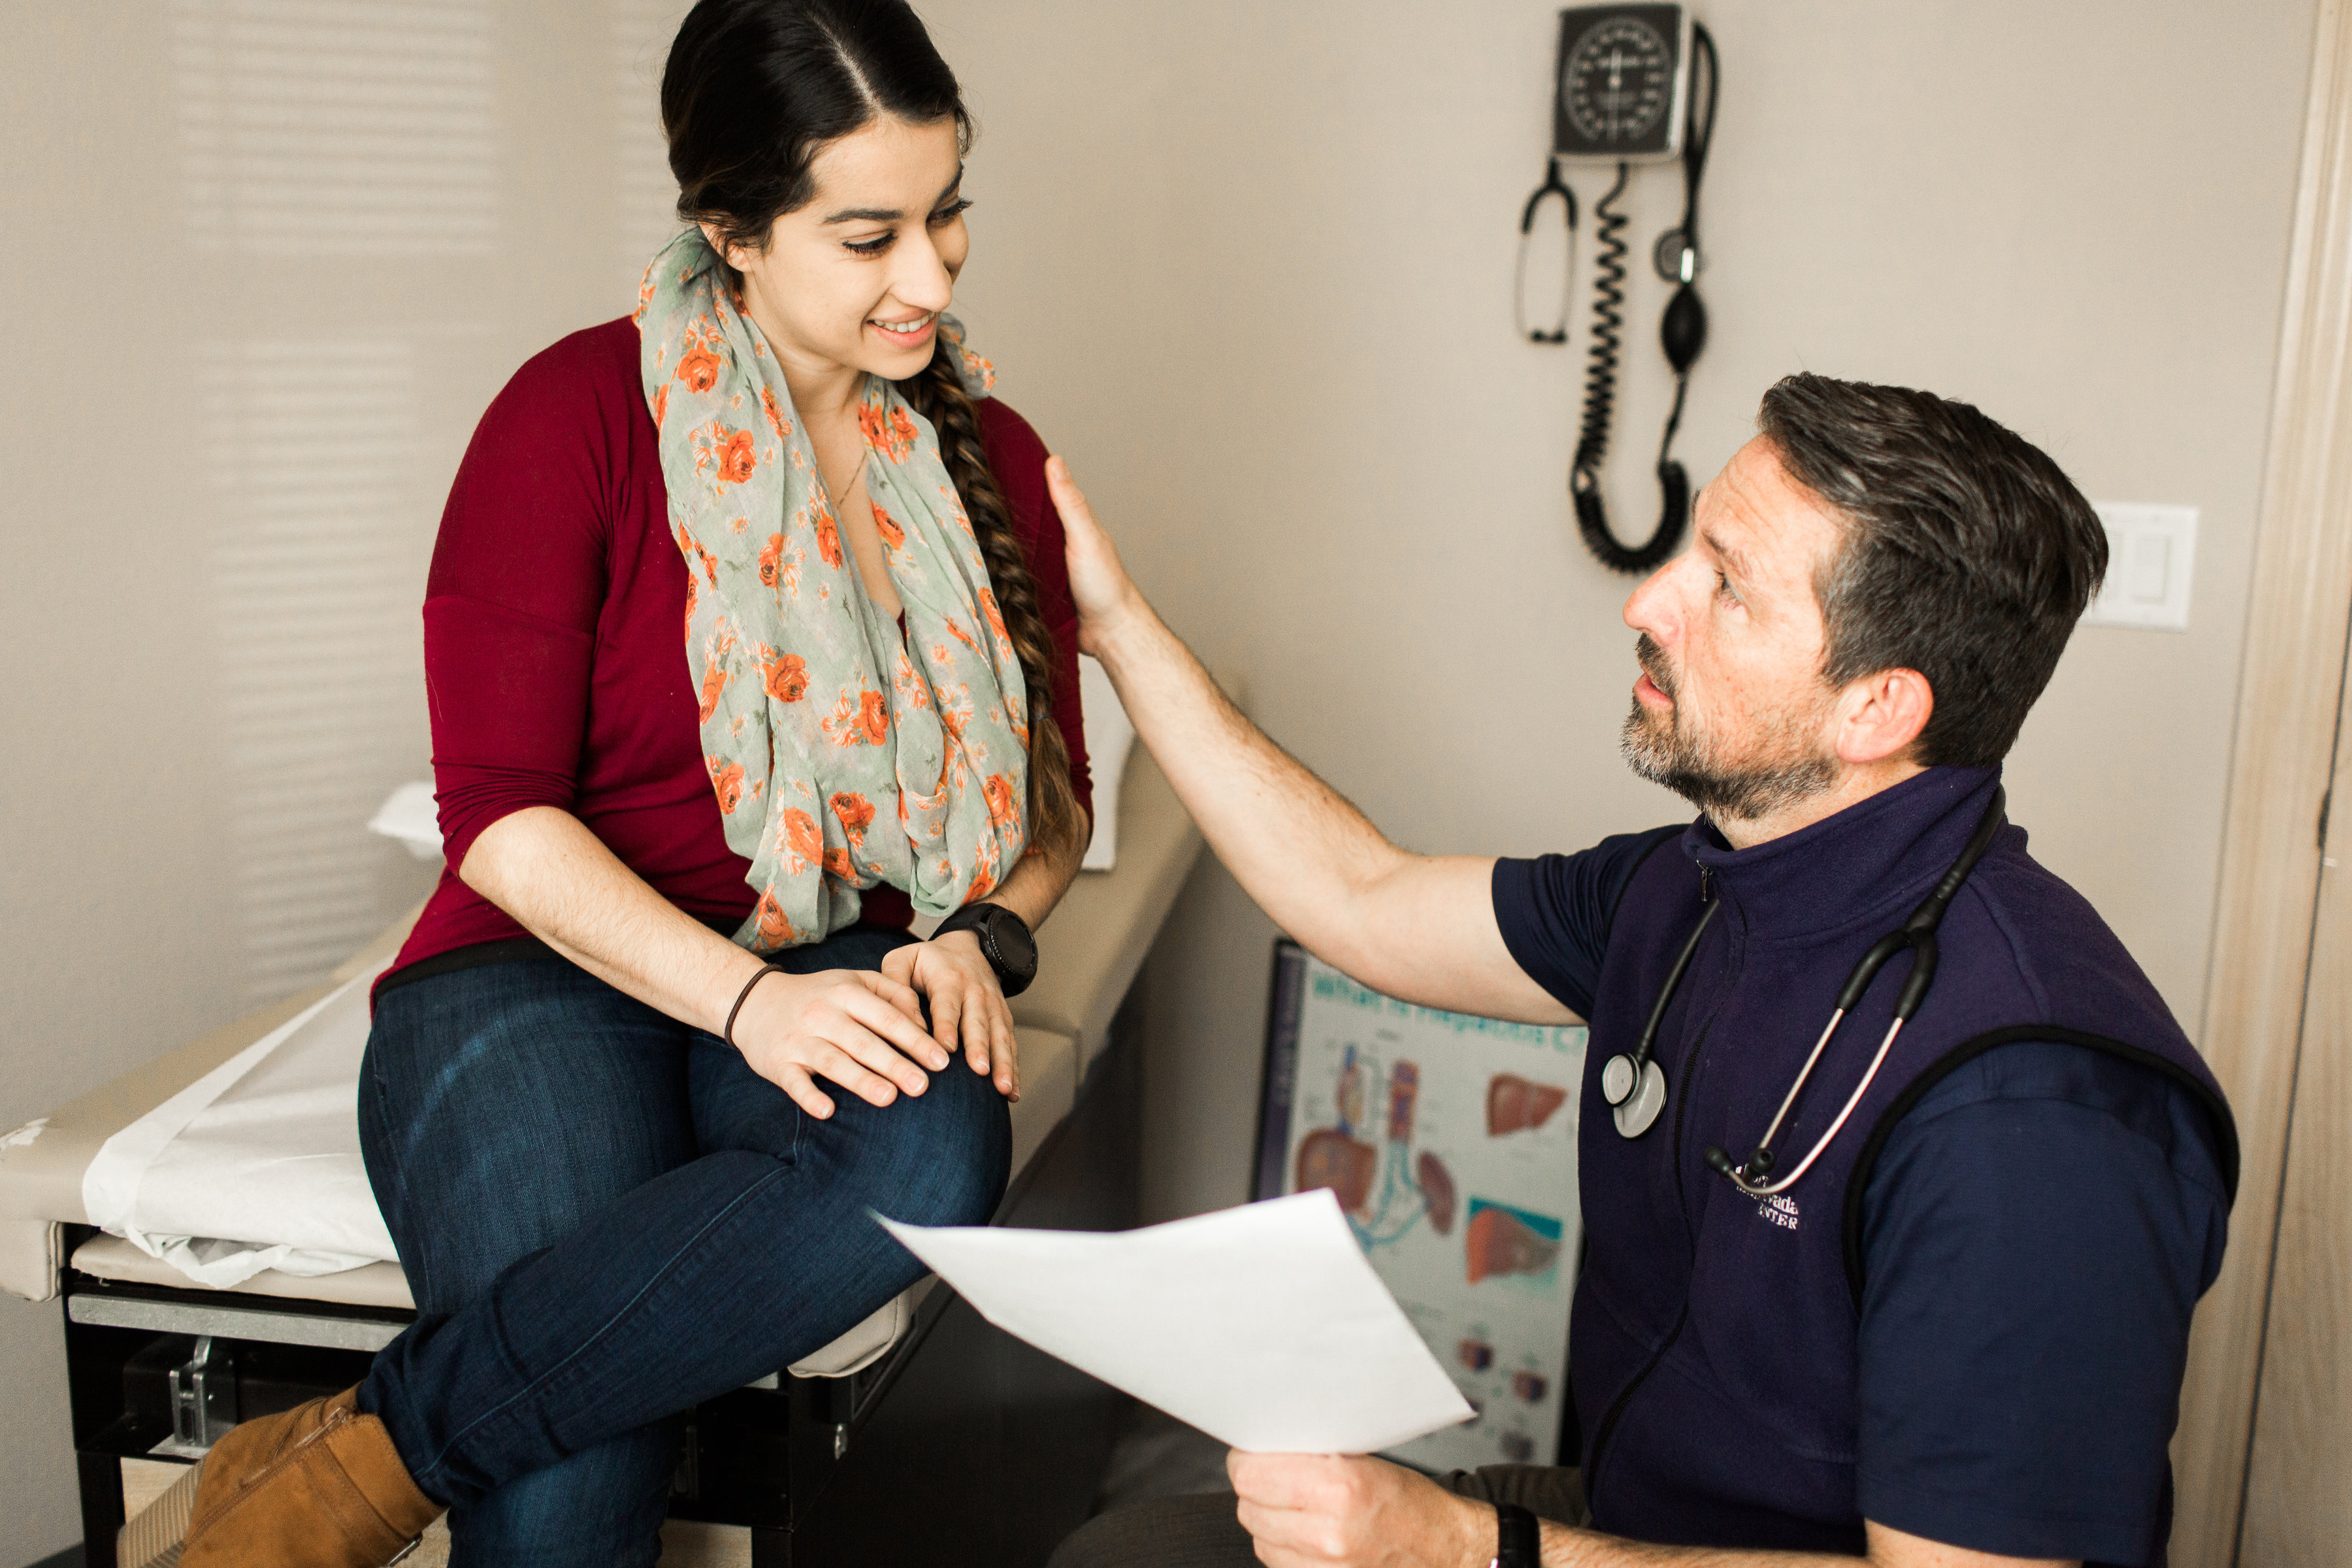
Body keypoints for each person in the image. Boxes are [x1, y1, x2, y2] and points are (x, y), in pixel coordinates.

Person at [116, 3, 1090, 1565]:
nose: (932, 275)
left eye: (948, 210)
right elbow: (496, 818)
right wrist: (744, 1004)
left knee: (929, 1144)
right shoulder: (569, 416)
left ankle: (357, 1456)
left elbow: (1053, 808)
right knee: (578, 1466)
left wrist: (982, 935)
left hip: (836, 945)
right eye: (869, 234)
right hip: (532, 978)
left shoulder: (992, 455)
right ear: (731, 228)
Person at [1044, 375, 2236, 1568]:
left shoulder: (2037, 1118)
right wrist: (1117, 626)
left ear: (1876, 708)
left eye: (1727, 587)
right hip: (1631, 1515)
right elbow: (1365, 899)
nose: (1647, 601)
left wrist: (1467, 1549)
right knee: (1127, 1553)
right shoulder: (1707, 883)